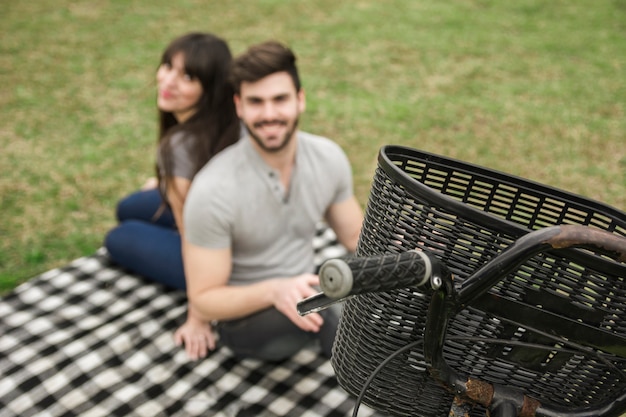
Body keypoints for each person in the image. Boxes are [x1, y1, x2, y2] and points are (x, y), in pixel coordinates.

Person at [181, 40, 364, 362]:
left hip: (307, 286)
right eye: (256, 102)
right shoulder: (212, 189)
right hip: (250, 315)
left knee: (382, 276)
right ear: (239, 106)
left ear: (300, 100)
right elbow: (205, 299)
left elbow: (354, 237)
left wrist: (406, 250)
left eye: (280, 99)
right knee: (307, 325)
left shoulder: (328, 157)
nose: (269, 114)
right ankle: (349, 350)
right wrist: (274, 291)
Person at [104, 32, 240, 354]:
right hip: (236, 226)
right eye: (167, 66)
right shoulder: (232, 119)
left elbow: (194, 237)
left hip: (229, 259)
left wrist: (200, 314)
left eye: (188, 76)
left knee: (120, 235)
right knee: (128, 206)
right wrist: (170, 185)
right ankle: (168, 191)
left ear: (210, 88)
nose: (168, 81)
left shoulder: (179, 149)